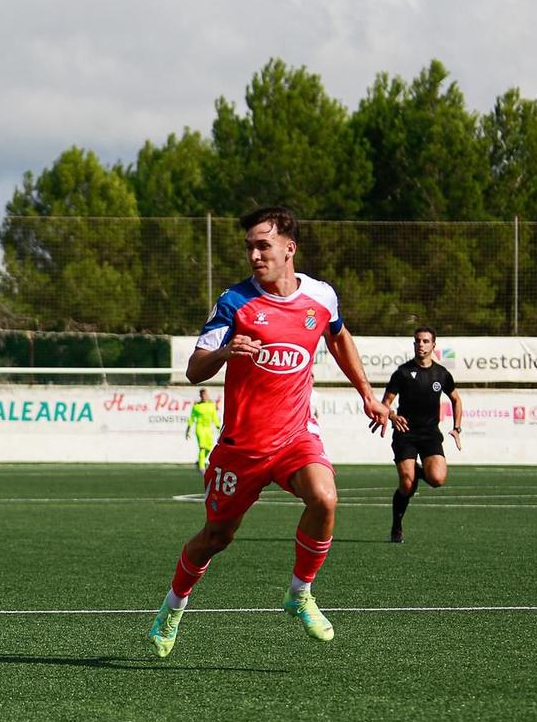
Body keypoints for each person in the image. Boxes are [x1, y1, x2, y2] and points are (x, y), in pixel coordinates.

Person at [147, 206, 390, 658]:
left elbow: (338, 337)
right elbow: (194, 370)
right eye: (249, 247)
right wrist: (225, 352)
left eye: (263, 245)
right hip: (242, 448)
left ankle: (299, 594)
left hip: (297, 435)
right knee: (215, 538)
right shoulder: (234, 302)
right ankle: (172, 608)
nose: (254, 255)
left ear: (289, 248)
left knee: (325, 498)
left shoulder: (321, 297)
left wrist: (367, 394)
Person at [380, 327, 462, 543]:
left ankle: (415, 471)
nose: (421, 345)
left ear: (434, 345)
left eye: (426, 341)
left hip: (430, 435)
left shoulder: (441, 374)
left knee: (437, 479)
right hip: (405, 433)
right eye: (417, 341)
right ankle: (397, 526)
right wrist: (393, 417)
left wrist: (457, 427)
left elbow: (456, 399)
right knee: (407, 484)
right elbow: (385, 404)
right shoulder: (402, 373)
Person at [186, 388, 220, 473]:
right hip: (200, 428)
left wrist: (218, 427)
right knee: (202, 447)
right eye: (202, 395)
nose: (204, 396)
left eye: (205, 395)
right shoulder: (197, 406)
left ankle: (200, 461)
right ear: (200, 396)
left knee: (209, 447)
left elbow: (214, 417)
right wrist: (188, 430)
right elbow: (192, 418)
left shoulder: (211, 405)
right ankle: (201, 467)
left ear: (207, 395)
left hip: (208, 428)